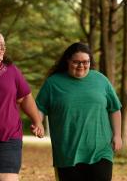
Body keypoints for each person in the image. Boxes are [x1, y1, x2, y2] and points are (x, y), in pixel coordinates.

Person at [36, 42, 122, 181]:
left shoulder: (101, 80)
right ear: (67, 61)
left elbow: (115, 109)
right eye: (76, 62)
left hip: (101, 149)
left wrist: (117, 135)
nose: (81, 65)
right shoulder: (53, 83)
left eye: (85, 62)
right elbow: (40, 108)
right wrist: (38, 123)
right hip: (67, 151)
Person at [0, 29, 44, 181]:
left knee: (5, 179)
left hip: (7, 137)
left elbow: (25, 97)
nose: (3, 48)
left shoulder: (11, 70)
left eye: (5, 45)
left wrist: (37, 121)